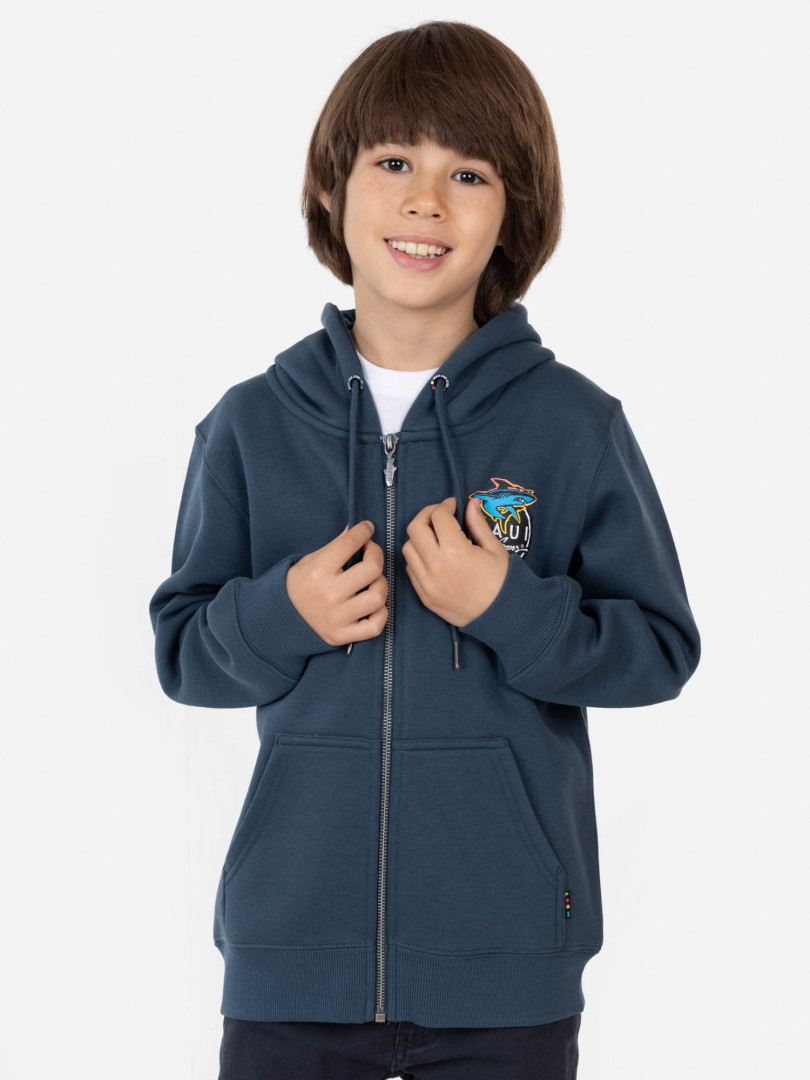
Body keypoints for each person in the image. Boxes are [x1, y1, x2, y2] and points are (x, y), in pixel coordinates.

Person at [148, 19, 701, 1080]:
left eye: (469, 174)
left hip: (509, 976)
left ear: (514, 215)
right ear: (331, 189)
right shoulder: (252, 425)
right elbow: (182, 652)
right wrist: (281, 615)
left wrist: (510, 610)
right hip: (289, 966)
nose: (426, 202)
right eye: (395, 162)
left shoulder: (573, 427)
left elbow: (660, 649)